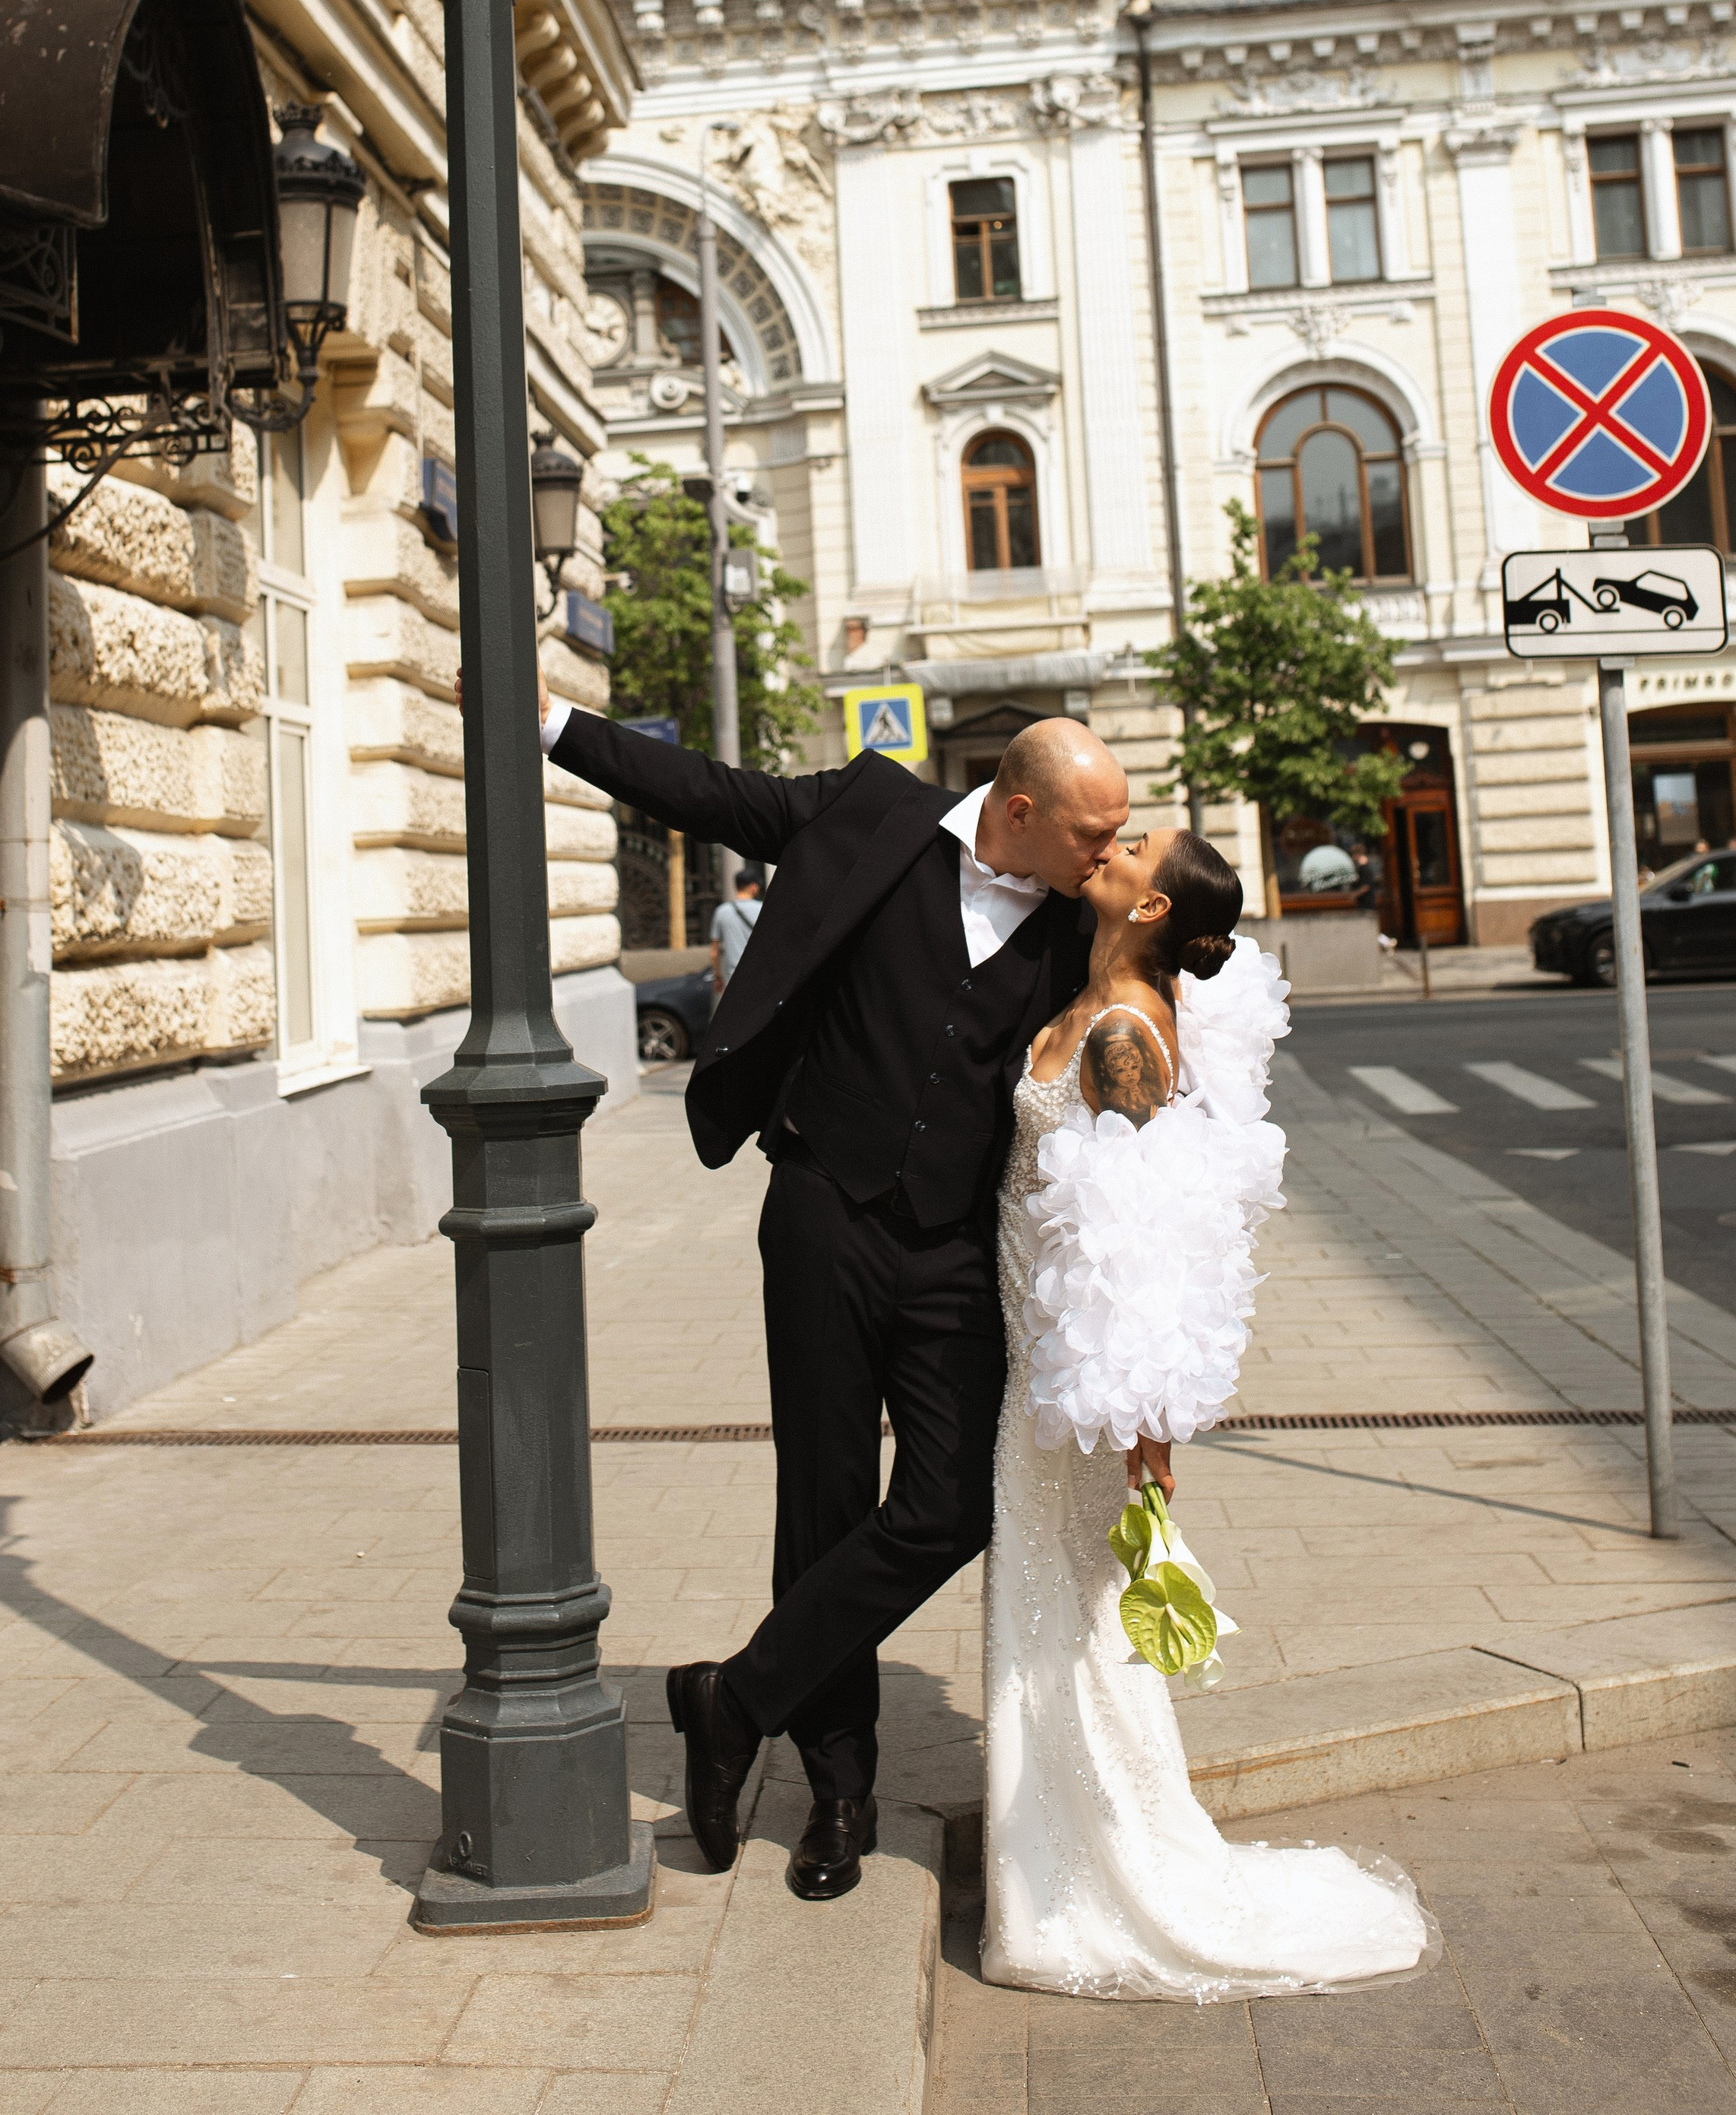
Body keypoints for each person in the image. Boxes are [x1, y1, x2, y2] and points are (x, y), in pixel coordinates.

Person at [536, 685, 1127, 1902]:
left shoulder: (1081, 916)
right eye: (1092, 832)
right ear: (1019, 810)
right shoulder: (873, 813)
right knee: (823, 1498)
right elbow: (711, 793)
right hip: (821, 1212)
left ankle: (733, 1696)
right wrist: (553, 725)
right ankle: (839, 1792)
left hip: (954, 1245)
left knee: (951, 1503)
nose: (1108, 851)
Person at [984, 825, 1433, 1996]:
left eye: (1136, 848)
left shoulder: (1126, 1034)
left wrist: (1144, 1425)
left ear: (1149, 909)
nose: (1114, 846)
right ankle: (1062, 1860)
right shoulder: (1110, 994)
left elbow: (1147, 1233)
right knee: (1055, 1609)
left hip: (1076, 1390)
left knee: (1071, 1613)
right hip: (1038, 1356)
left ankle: (1090, 1880)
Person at [709, 866, 764, 993]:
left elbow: (714, 952)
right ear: (753, 886)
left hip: (734, 978)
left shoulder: (721, 912)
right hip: (760, 975)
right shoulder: (763, 909)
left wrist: (718, 978)